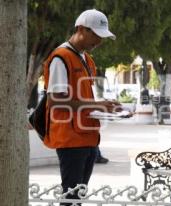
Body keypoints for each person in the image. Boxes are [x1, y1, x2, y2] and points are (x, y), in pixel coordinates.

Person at [43, 9, 118, 205]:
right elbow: (54, 100)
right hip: (70, 139)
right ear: (81, 29)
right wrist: (96, 104)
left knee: (77, 197)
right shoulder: (61, 57)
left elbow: (82, 96)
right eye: (96, 35)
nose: (99, 42)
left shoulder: (86, 59)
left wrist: (105, 106)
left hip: (87, 137)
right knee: (71, 197)